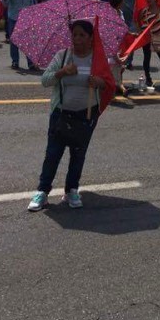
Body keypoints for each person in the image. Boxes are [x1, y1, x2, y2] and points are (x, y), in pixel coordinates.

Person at [27, 20, 106, 211]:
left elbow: (108, 82)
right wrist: (62, 72)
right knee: (53, 153)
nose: (77, 39)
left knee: (78, 154)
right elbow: (45, 80)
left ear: (90, 39)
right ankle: (42, 192)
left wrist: (98, 82)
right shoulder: (62, 56)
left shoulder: (97, 59)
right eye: (74, 35)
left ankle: (72, 189)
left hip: (86, 115)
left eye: (82, 35)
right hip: (61, 114)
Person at [5, 0, 36, 70]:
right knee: (14, 41)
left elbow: (32, 3)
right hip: (14, 17)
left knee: (28, 41)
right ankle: (15, 61)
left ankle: (31, 63)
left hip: (26, 18)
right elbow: (5, 3)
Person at [139, 0, 160, 88]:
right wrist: (141, 32)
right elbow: (139, 22)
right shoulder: (144, 11)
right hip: (147, 38)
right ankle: (148, 79)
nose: (148, 0)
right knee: (146, 58)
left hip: (158, 37)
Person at [120, 0, 138, 70]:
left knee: (131, 40)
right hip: (123, 18)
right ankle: (121, 59)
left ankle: (129, 62)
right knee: (121, 39)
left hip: (133, 20)